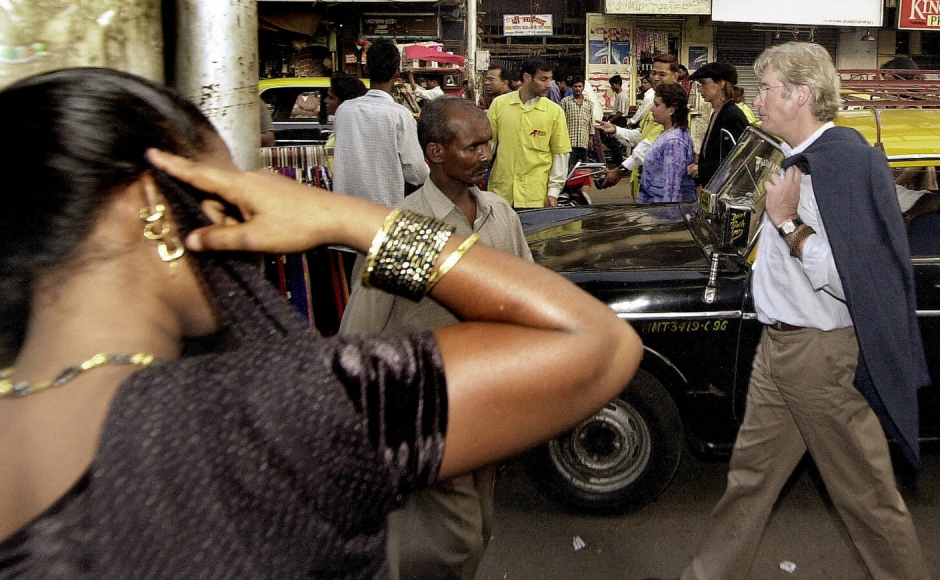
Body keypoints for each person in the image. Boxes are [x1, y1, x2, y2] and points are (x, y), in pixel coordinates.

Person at [0, 67, 643, 577]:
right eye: (228, 191)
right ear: (151, 207)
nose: (245, 216)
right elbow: (596, 344)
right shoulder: (270, 414)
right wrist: (350, 218)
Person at [679, 42, 931, 580]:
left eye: (767, 88)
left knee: (867, 498)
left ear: (800, 95)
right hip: (779, 347)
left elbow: (853, 279)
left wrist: (789, 223)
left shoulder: (838, 165)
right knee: (748, 481)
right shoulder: (787, 156)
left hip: (818, 357)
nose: (757, 99)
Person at [340, 97, 531, 580]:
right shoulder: (409, 229)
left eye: (488, 144)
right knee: (456, 537)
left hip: (488, 398)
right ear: (436, 153)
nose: (486, 155)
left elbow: (528, 298)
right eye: (473, 146)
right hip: (428, 407)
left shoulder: (498, 214)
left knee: (481, 522)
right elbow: (360, 329)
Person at [333, 39, 429, 207]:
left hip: (344, 211)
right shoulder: (400, 116)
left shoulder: (344, 110)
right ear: (396, 73)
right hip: (382, 211)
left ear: (366, 69)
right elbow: (417, 173)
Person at [486, 57, 571, 208]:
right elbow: (488, 146)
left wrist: (553, 192)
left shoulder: (554, 112)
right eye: (543, 79)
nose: (549, 85)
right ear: (527, 77)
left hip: (535, 196)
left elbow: (560, 153)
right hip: (501, 194)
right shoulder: (500, 104)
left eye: (550, 79)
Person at [598, 53, 679, 194]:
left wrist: (620, 171)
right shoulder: (655, 105)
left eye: (662, 74)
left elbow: (649, 146)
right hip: (645, 184)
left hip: (660, 189)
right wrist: (616, 130)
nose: (655, 78)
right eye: (653, 73)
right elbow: (640, 136)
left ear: (675, 76)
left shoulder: (674, 107)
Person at [602, 83, 694, 203]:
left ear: (671, 109)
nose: (652, 109)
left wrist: (667, 214)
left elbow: (671, 190)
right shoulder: (667, 133)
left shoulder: (674, 142)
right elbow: (640, 136)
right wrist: (616, 130)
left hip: (661, 209)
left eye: (657, 105)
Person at [686, 62, 750, 189]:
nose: (699, 89)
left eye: (703, 83)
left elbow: (737, 159)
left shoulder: (732, 115)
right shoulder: (718, 112)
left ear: (721, 84)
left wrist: (702, 169)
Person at [323, 72, 368, 168]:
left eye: (331, 98)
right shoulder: (344, 129)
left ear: (345, 103)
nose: (325, 101)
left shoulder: (350, 135)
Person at [560, 77, 594, 169]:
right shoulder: (565, 101)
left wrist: (591, 137)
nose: (578, 89)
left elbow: (591, 121)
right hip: (569, 140)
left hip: (584, 140)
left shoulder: (589, 103)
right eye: (575, 86)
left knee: (582, 168)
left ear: (583, 87)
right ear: (572, 87)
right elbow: (561, 121)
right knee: (569, 167)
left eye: (580, 86)